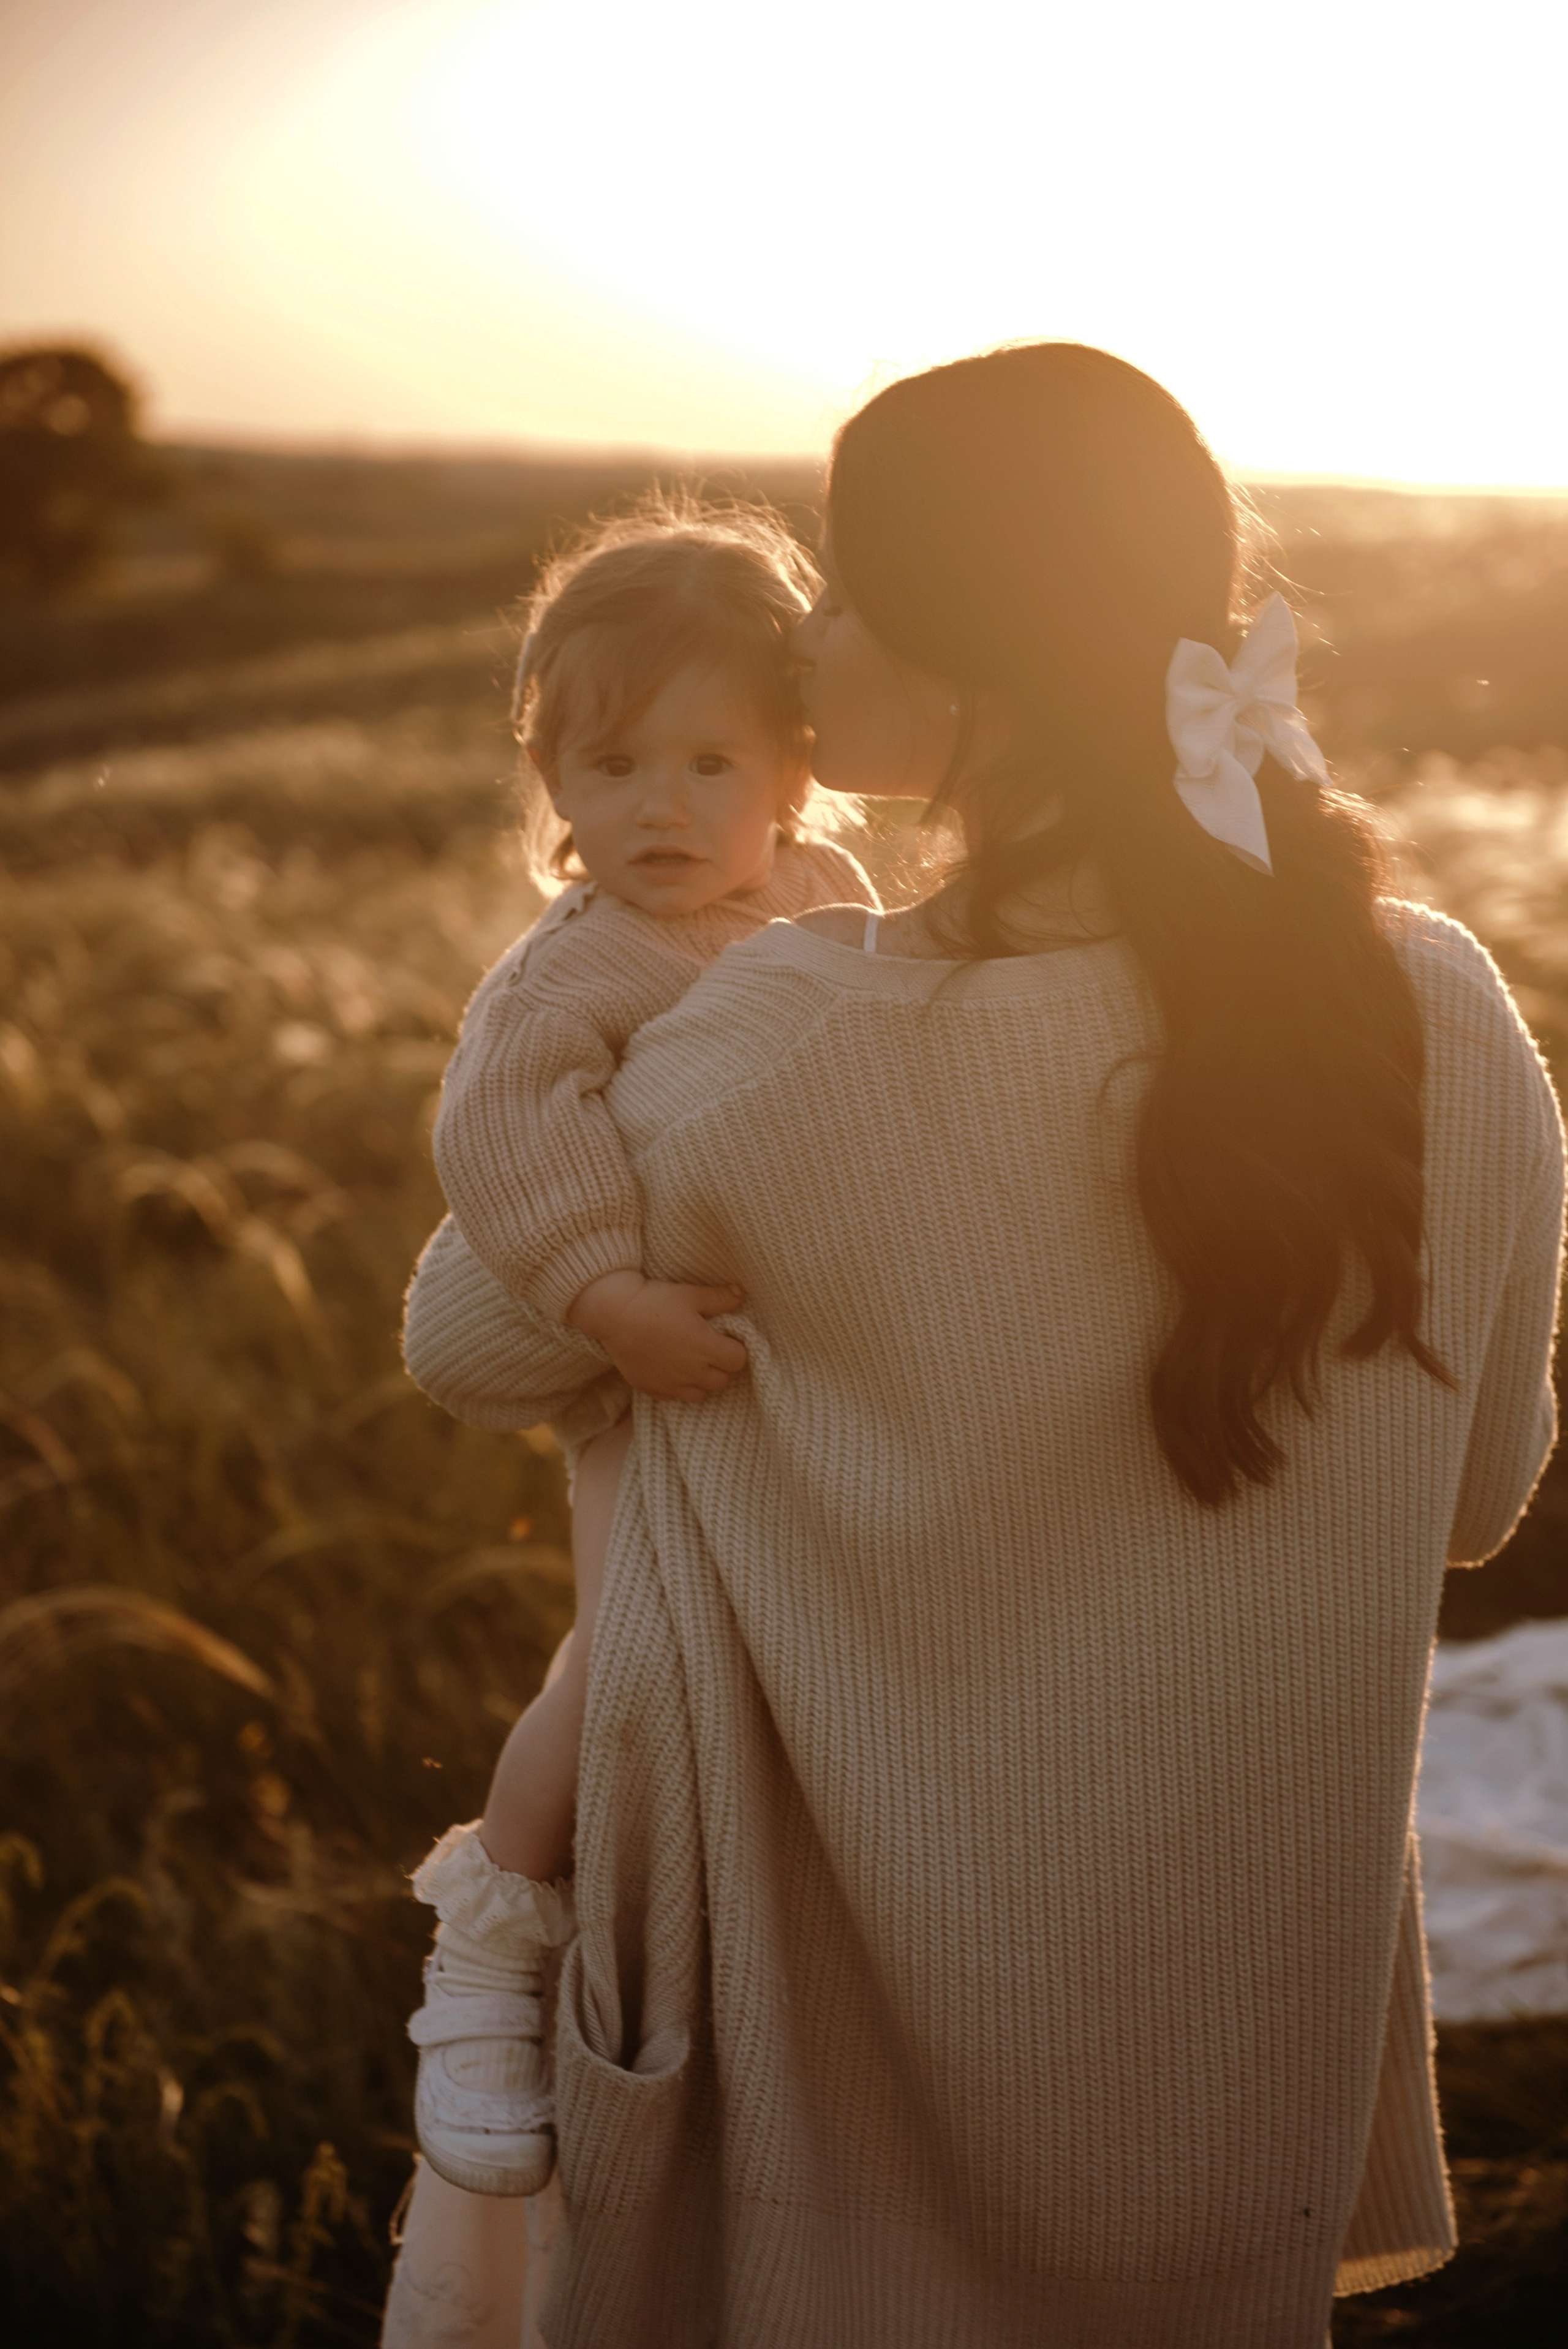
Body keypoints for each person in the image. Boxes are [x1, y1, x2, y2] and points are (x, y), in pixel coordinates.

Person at [392, 343, 1563, 2348]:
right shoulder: (1436, 1002)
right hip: (1224, 2067)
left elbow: (466, 1340)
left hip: (846, 2074)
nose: (812, 637)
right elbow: (1470, 1501)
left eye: (843, 586)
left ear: (966, 654)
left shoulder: (770, 1036)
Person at [404, 507, 876, 2203]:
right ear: (552, 781)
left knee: (773, 1678)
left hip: (772, 1373)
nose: (659, 806)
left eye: (708, 759)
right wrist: (608, 1302)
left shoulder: (831, 899)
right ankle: (489, 1948)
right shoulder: (573, 970)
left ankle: (770, 1985)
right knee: (624, 1659)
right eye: (609, 766)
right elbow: (509, 1148)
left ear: (796, 772)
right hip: (629, 1375)